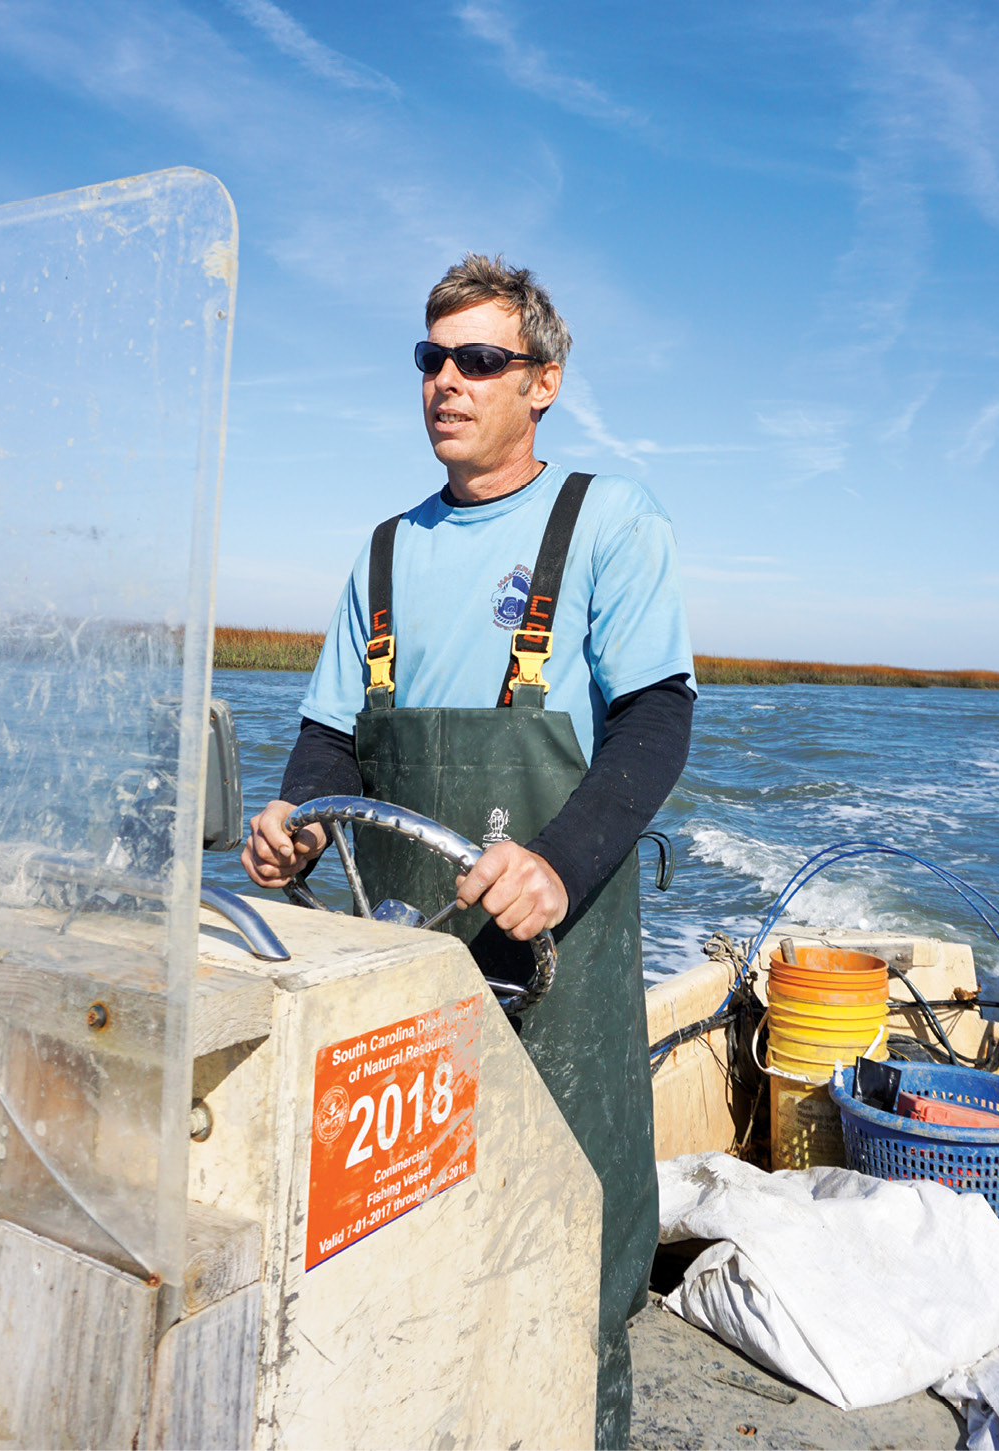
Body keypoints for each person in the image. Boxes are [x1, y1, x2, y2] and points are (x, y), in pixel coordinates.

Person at [243, 254, 695, 1449]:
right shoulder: (384, 552)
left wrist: (554, 862)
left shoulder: (610, 520)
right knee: (399, 1234)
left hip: (557, 966)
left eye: (479, 359)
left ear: (542, 381)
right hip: (404, 973)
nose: (447, 380)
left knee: (569, 1244)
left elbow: (655, 721)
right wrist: (296, 824)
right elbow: (331, 740)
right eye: (430, 359)